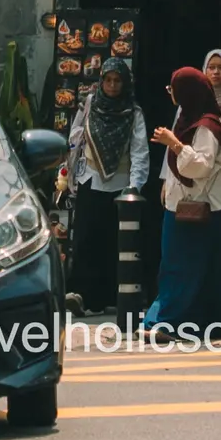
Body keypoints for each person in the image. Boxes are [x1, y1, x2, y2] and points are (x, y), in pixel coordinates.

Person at [142, 65, 221, 330]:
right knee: (177, 268)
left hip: (208, 210)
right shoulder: (185, 117)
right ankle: (173, 320)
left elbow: (200, 166)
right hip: (183, 208)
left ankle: (170, 322)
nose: (169, 92)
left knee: (190, 269)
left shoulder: (207, 126)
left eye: (173, 88)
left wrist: (174, 143)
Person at [63, 60, 148, 313]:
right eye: (108, 80)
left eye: (117, 80)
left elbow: (140, 152)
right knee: (86, 241)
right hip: (90, 180)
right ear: (101, 81)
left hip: (120, 187)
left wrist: (134, 188)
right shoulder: (89, 105)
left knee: (115, 244)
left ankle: (112, 298)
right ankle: (81, 296)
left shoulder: (133, 113)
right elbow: (73, 135)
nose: (112, 85)